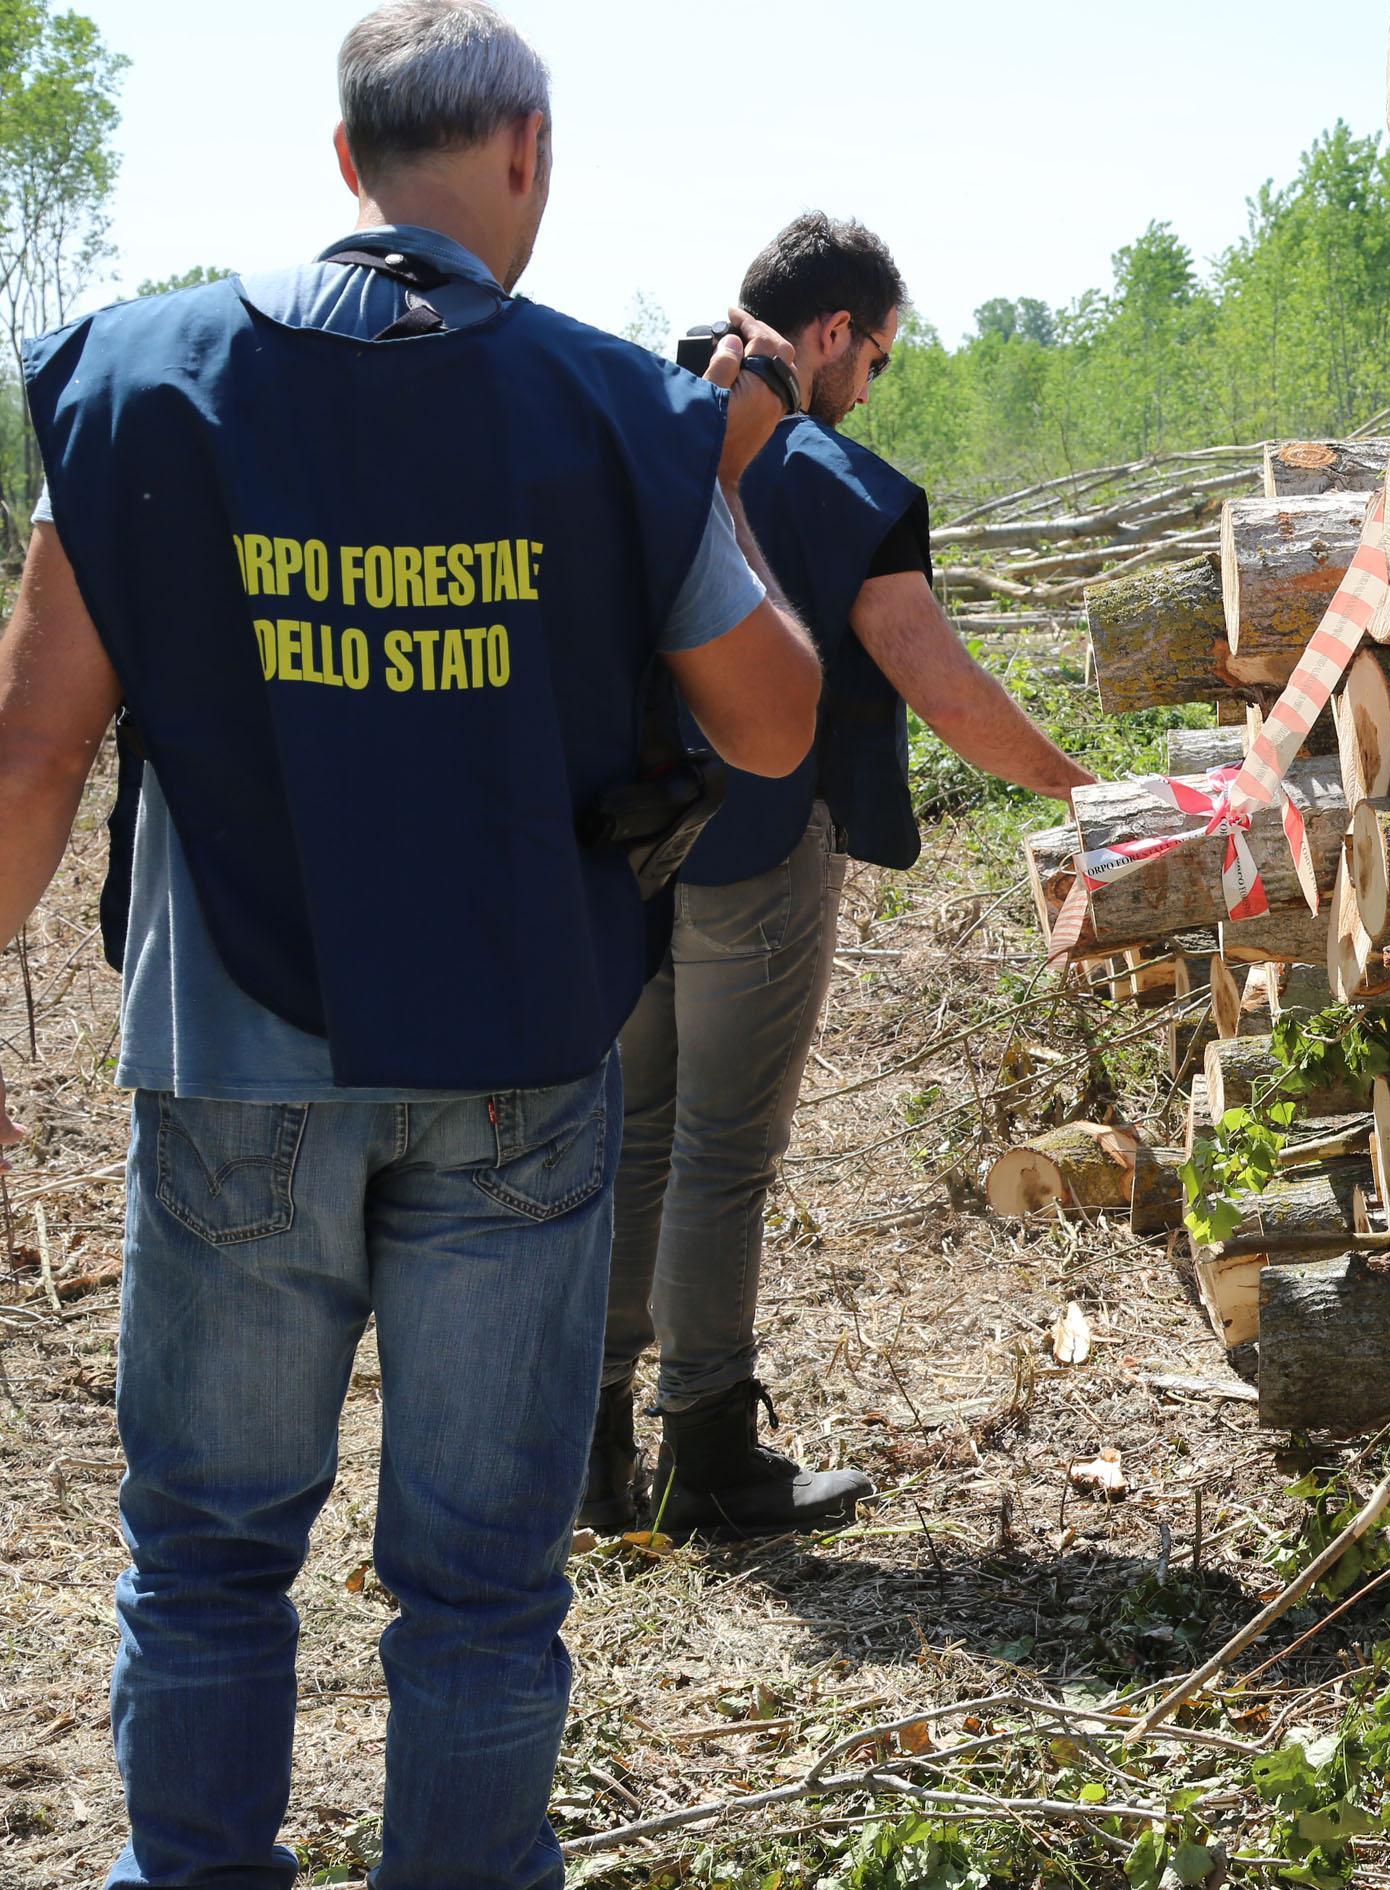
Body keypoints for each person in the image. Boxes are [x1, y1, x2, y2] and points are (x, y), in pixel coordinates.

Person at [0, 5, 824, 1884]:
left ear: (345, 162)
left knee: (205, 1556)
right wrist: (726, 474)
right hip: (520, 1062)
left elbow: (35, 745)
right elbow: (772, 722)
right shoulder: (619, 408)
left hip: (231, 1064)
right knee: (479, 1587)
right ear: (523, 153)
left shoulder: (139, 384)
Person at [589, 214, 1095, 1538]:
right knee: (719, 1148)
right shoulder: (827, 475)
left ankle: (591, 1452)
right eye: (875, 357)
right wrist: (1085, 789)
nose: (872, 385)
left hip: (619, 846)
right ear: (828, 336)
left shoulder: (627, 421)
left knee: (633, 1134)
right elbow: (938, 681)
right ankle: (706, 1453)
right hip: (753, 845)